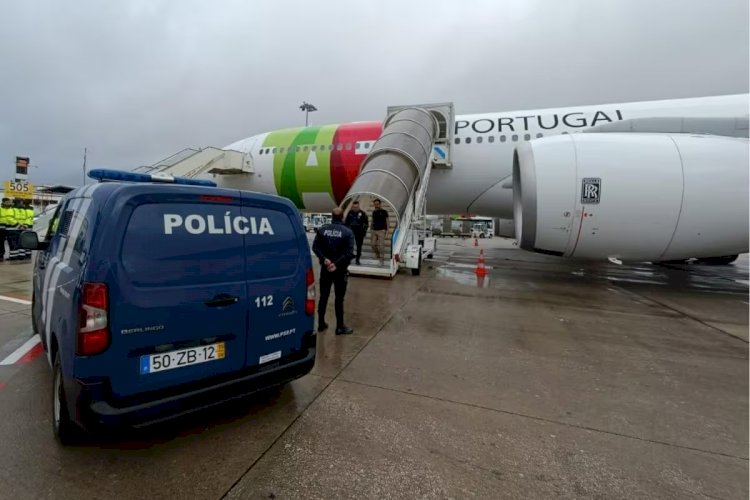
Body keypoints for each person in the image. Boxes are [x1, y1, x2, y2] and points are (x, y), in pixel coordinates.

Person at [312, 206, 354, 335]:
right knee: (339, 298)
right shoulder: (347, 232)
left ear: (331, 216)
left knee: (323, 296)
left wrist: (325, 259)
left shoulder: (322, 230)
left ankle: (320, 323)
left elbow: (315, 247)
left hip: (325, 269)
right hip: (340, 270)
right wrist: (336, 264)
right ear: (342, 217)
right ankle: (339, 326)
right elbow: (349, 253)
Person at [344, 200, 368, 265]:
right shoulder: (350, 213)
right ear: (352, 207)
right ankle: (350, 257)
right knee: (349, 245)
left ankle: (357, 259)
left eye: (356, 207)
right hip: (351, 232)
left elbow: (366, 223)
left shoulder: (362, 213)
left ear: (359, 206)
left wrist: (364, 232)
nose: (355, 208)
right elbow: (346, 222)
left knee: (359, 246)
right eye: (354, 207)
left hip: (359, 232)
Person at [370, 198, 389, 265]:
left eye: (377, 204)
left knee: (381, 245)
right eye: (375, 204)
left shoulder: (384, 212)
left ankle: (382, 260)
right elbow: (372, 220)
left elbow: (387, 221)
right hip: (374, 230)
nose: (376, 205)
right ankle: (378, 254)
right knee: (372, 244)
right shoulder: (374, 212)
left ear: (380, 204)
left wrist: (387, 231)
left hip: (382, 230)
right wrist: (371, 228)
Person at [0, 197, 16, 262]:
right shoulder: (0, 209)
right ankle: (1, 256)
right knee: (0, 243)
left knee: (11, 243)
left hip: (10, 228)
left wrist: (17, 225)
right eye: (7, 202)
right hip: (1, 229)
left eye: (9, 202)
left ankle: (12, 256)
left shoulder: (12, 210)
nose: (8, 203)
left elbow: (13, 219)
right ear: (3, 202)